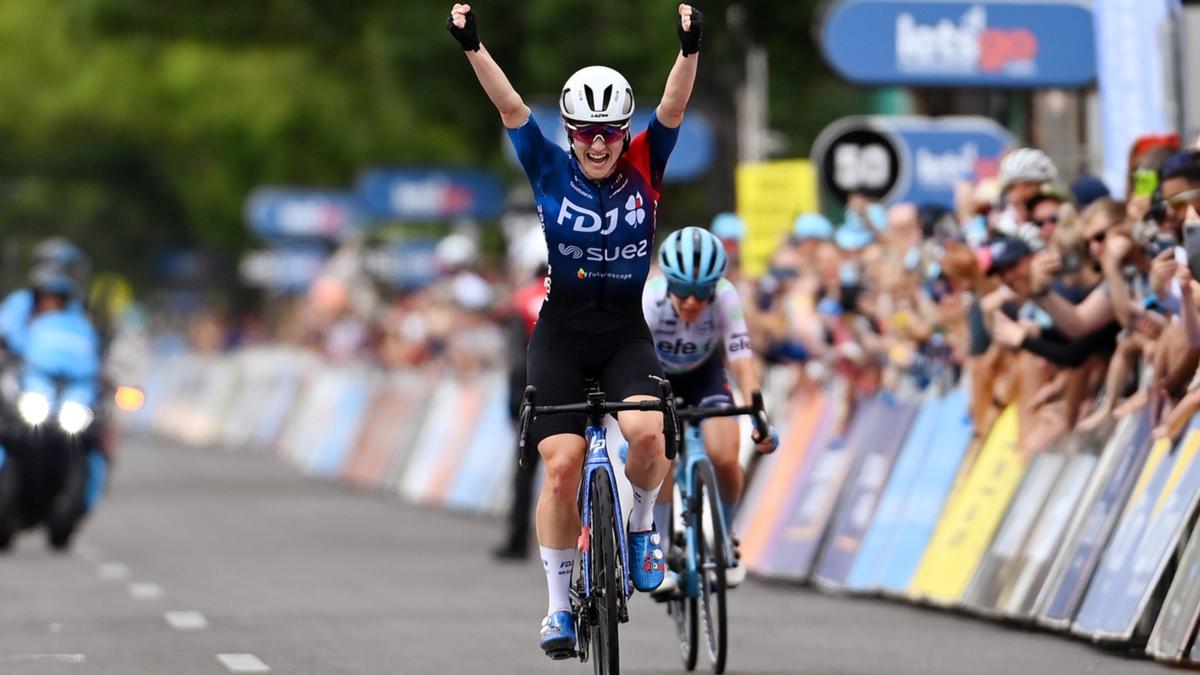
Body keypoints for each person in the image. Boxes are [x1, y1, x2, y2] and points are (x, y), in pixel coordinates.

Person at [447, 2, 702, 658]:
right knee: (560, 467)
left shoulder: (645, 162)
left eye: (609, 133)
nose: (597, 144)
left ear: (624, 132)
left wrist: (690, 48)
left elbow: (672, 105)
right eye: (585, 132)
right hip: (561, 331)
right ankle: (559, 607)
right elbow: (509, 108)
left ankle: (643, 531)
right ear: (568, 131)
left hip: (622, 331)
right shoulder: (548, 168)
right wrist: (473, 45)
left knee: (648, 433)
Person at [642, 227, 779, 591]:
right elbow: (631, 359)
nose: (691, 301)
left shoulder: (725, 297)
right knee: (661, 457)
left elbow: (740, 355)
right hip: (656, 379)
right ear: (667, 282)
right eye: (683, 290)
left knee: (725, 456)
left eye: (702, 292)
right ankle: (663, 547)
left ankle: (727, 533)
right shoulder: (650, 298)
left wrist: (756, 410)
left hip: (705, 375)